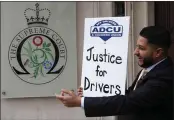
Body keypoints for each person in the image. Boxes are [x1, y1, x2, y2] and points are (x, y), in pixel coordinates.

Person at [56, 26, 173, 120]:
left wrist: (80, 102)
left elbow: (129, 101)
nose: (135, 52)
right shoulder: (150, 68)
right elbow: (129, 94)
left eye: (141, 48)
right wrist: (91, 93)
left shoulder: (164, 78)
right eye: (137, 47)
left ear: (158, 52)